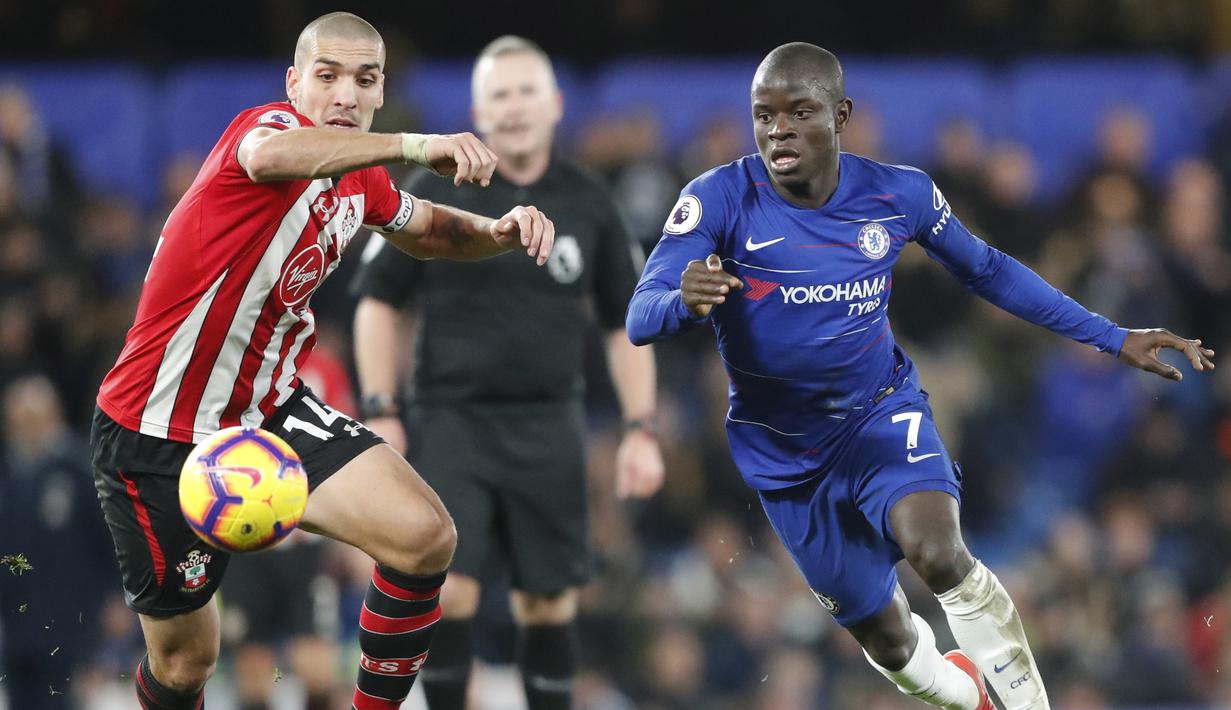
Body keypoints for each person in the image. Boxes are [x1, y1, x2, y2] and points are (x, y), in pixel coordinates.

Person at [625, 42, 1215, 710]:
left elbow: (988, 270)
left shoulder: (896, 193)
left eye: (798, 111)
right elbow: (641, 317)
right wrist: (684, 301)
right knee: (890, 644)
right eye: (763, 115)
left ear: (840, 113)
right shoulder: (717, 199)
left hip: (878, 414)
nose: (777, 129)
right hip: (783, 455)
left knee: (937, 554)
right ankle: (966, 697)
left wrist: (1112, 336)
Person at [89, 12, 556, 710]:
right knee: (188, 663)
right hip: (155, 436)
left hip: (270, 413)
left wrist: (499, 232)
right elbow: (270, 160)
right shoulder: (264, 134)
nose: (344, 94)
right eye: (327, 76)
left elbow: (424, 228)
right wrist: (413, 144)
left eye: (363, 80)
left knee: (424, 538)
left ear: (379, 91)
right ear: (293, 83)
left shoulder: (358, 177)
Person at [351, 35, 663, 710]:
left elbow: (624, 323)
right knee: (450, 587)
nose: (514, 106)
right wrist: (381, 406)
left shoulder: (587, 200)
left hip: (550, 421)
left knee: (548, 602)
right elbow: (377, 302)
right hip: (449, 418)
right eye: (499, 94)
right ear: (477, 110)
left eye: (526, 92)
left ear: (553, 104)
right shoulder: (433, 185)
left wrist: (640, 428)